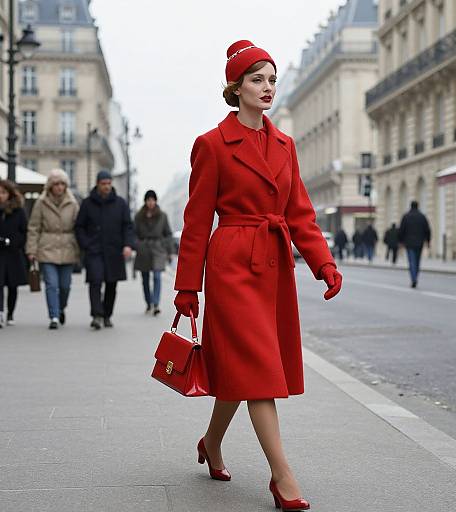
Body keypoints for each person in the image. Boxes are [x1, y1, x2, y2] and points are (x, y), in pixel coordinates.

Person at [172, 40, 342, 511]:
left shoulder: (285, 145)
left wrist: (323, 263)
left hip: (273, 265)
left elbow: (301, 212)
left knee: (244, 368)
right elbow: (196, 219)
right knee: (260, 373)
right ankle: (282, 477)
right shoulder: (211, 145)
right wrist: (188, 285)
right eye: (256, 79)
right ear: (236, 87)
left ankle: (210, 442)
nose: (267, 88)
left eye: (271, 79)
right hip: (231, 265)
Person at [75, 171, 134, 330]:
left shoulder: (120, 203)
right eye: (103, 183)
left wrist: (127, 245)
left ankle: (107, 314)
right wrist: (85, 244)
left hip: (114, 250)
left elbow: (128, 226)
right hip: (94, 250)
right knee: (95, 281)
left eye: (109, 183)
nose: (107, 186)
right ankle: (97, 315)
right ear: (98, 184)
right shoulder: (87, 204)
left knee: (111, 284)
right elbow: (79, 226)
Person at [26, 169, 80, 329]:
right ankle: (54, 316)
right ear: (50, 185)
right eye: (56, 184)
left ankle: (61, 308)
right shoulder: (41, 203)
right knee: (51, 284)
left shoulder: (73, 202)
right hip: (47, 247)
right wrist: (31, 249)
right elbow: (34, 227)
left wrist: (80, 248)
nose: (59, 187)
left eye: (62, 184)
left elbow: (79, 226)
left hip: (67, 247)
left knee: (65, 286)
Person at [134, 190, 174, 315]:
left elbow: (168, 233)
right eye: (148, 200)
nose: (150, 202)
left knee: (157, 276)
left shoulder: (162, 215)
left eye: (152, 200)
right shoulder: (139, 216)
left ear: (155, 201)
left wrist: (169, 250)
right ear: (145, 201)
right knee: (145, 278)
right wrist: (137, 245)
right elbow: (133, 233)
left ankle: (156, 303)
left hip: (158, 248)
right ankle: (148, 302)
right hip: (143, 248)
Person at [0, 179, 27, 327]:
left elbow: (23, 232)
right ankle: (0, 312)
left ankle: (10, 312)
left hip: (13, 253)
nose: (0, 196)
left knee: (12, 285)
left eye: (3, 192)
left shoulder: (18, 211)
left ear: (9, 194)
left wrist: (11, 242)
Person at [398, 200, 431, 288]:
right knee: (417, 261)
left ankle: (413, 279)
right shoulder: (422, 217)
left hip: (409, 243)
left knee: (411, 261)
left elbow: (401, 230)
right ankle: (415, 276)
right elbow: (427, 230)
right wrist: (428, 241)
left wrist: (401, 241)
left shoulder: (406, 216)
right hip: (419, 242)